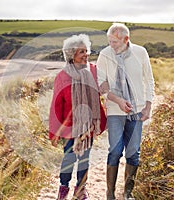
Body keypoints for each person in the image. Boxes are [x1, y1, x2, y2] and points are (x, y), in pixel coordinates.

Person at [96, 23, 155, 200]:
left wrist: (148, 105)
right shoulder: (105, 55)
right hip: (115, 110)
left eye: (114, 42)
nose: (111, 45)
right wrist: (119, 101)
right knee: (115, 151)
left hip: (137, 111)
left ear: (126, 39)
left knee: (133, 152)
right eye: (109, 41)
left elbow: (149, 80)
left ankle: (128, 193)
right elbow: (102, 85)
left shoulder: (140, 53)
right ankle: (110, 193)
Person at [49, 34, 106, 200]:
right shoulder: (63, 76)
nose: (86, 54)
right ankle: (63, 188)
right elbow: (56, 104)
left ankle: (80, 190)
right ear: (71, 54)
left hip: (87, 125)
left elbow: (102, 91)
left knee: (84, 159)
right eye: (81, 51)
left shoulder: (93, 71)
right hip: (69, 126)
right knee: (69, 159)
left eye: (86, 50)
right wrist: (55, 132)